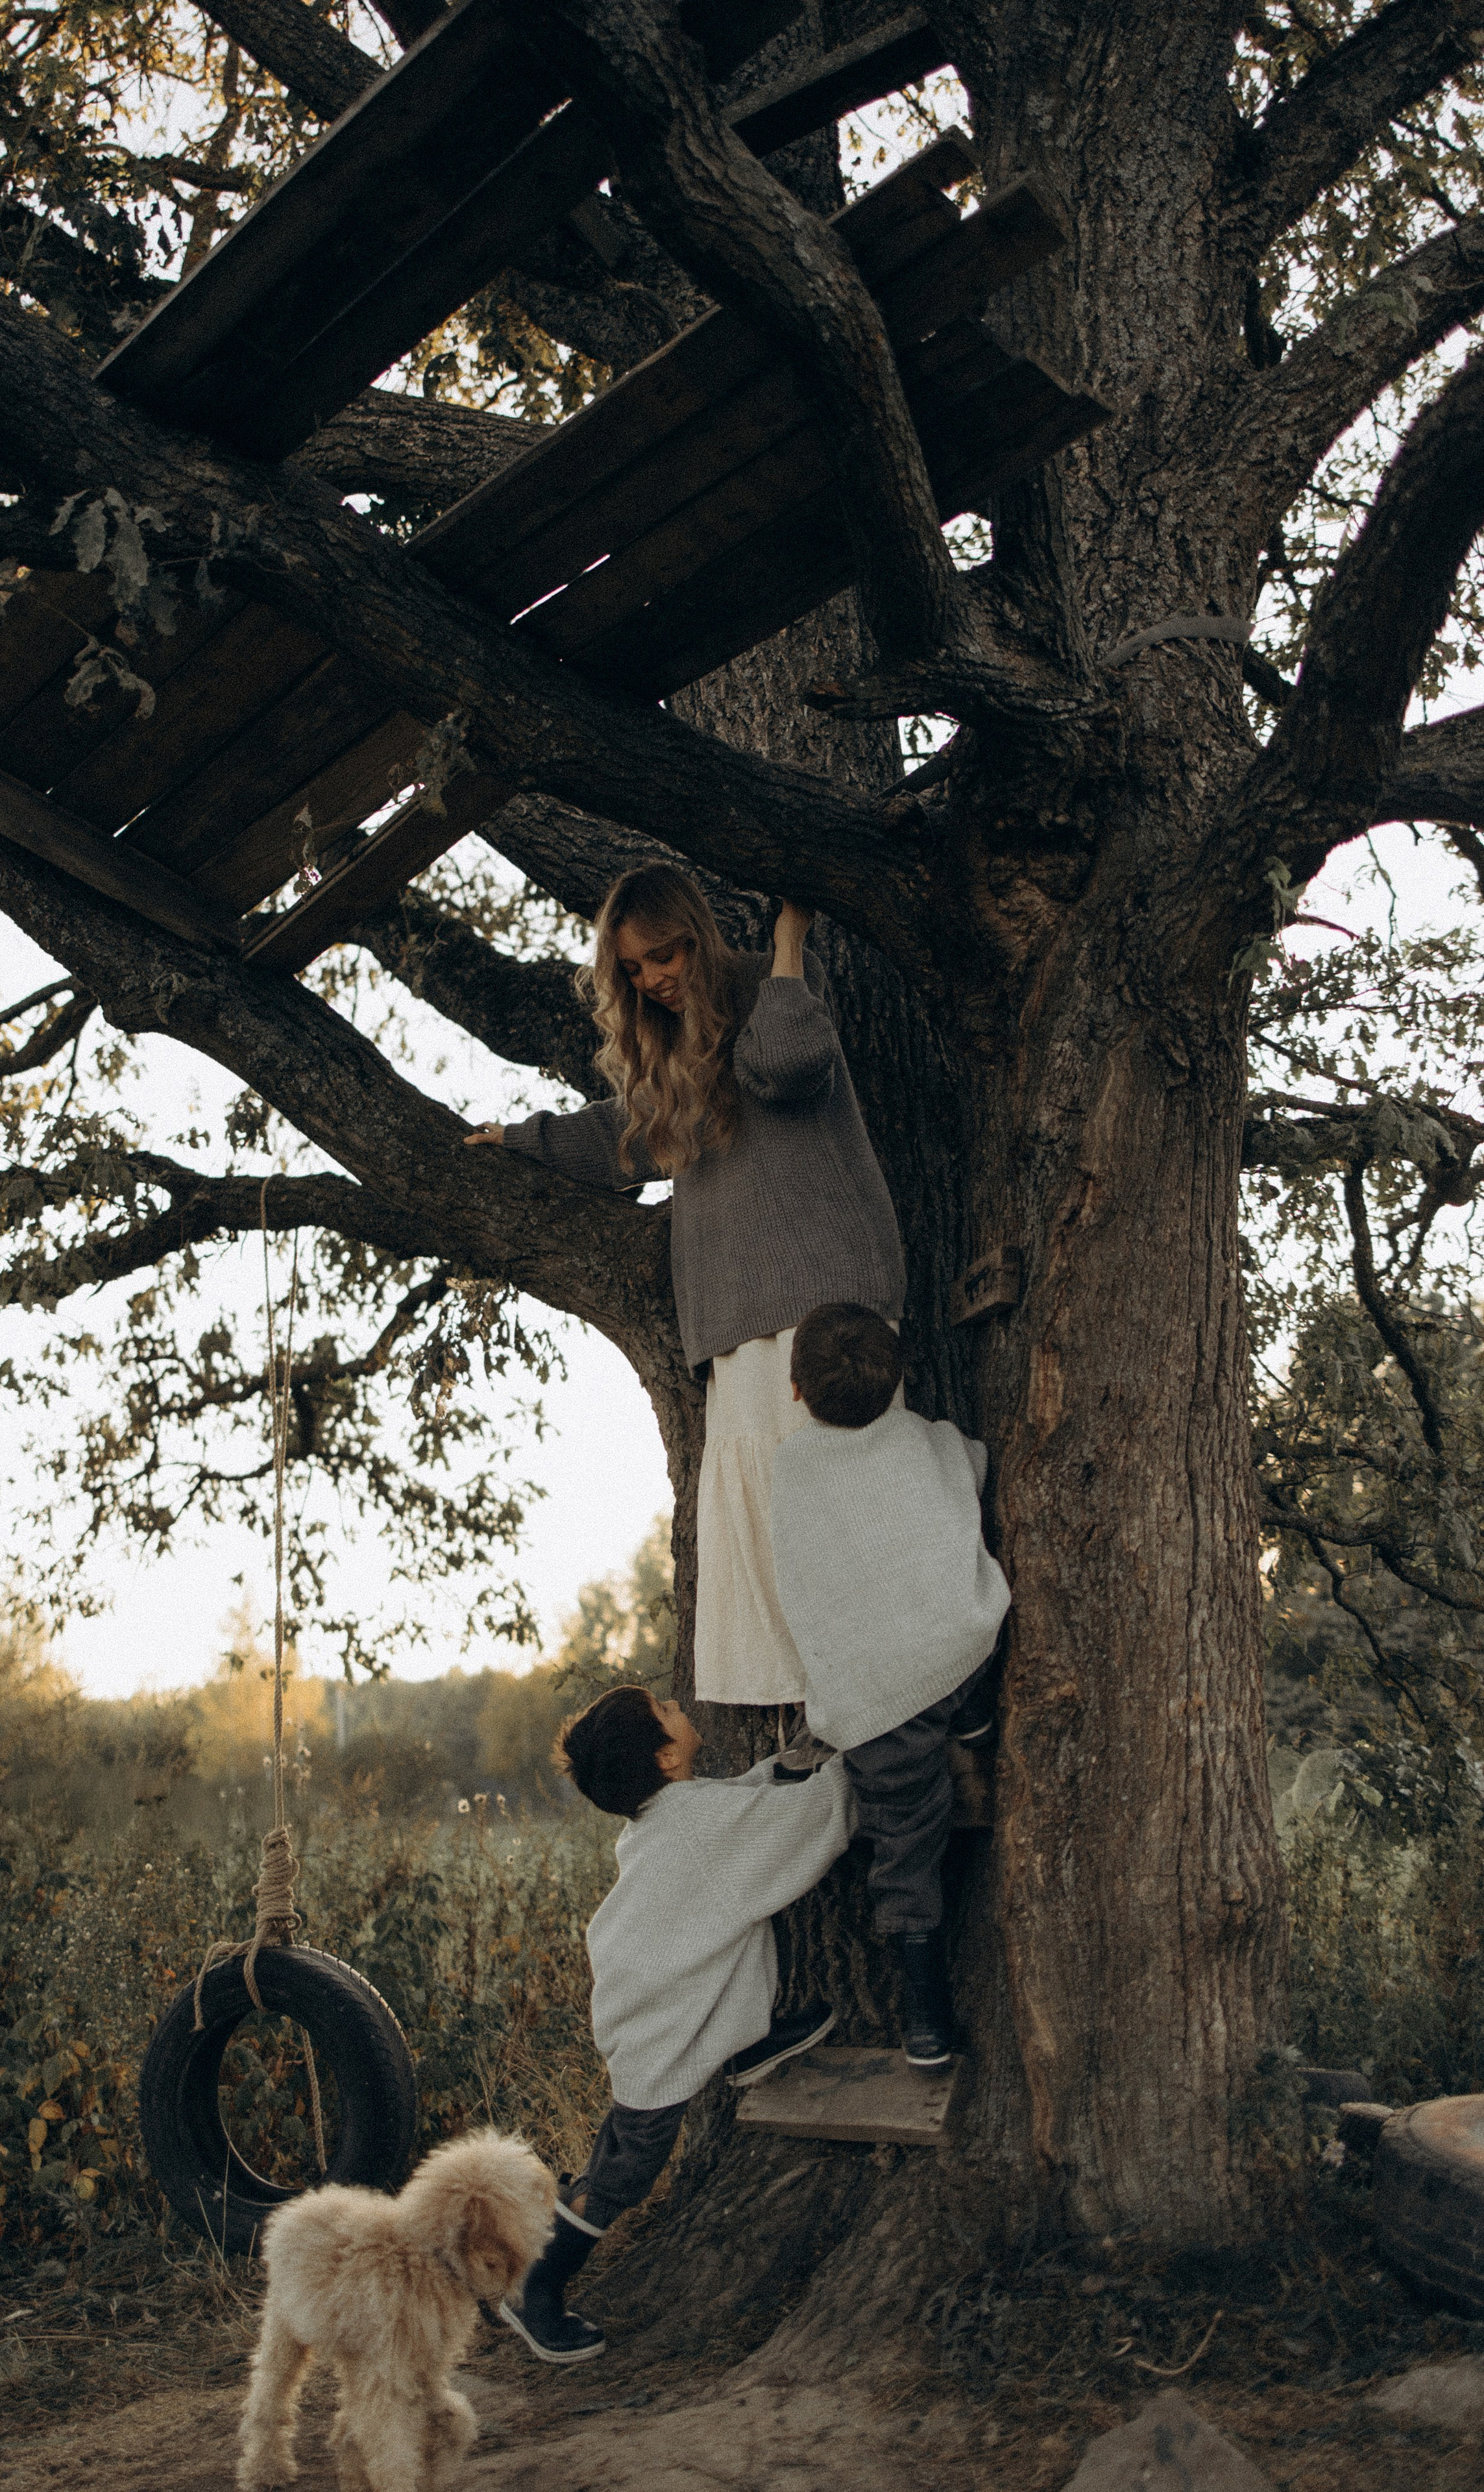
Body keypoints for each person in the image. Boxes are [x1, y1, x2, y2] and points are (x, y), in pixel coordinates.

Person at [465, 862, 905, 1718]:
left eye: (664, 954)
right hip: (736, 1325)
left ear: (696, 935)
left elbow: (790, 1064)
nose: (654, 979)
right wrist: (521, 1139)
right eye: (633, 970)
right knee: (768, 1546)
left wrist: (787, 943)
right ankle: (822, 1731)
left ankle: (895, 1716)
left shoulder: (768, 988)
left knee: (848, 1527)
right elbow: (623, 1136)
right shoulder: (669, 1048)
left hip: (825, 1303)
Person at [498, 1683, 855, 2364]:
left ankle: (745, 2041)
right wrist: (851, 1774)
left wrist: (777, 1773)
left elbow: (738, 1811)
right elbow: (788, 1827)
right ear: (665, 1757)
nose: (679, 1707)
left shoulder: (672, 1815)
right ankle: (532, 2288)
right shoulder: (693, 1823)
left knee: (617, 2152)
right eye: (666, 1711)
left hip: (647, 2003)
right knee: (624, 2174)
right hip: (656, 2026)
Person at [768, 1302, 1012, 2071]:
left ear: (797, 1392)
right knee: (964, 1636)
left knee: (905, 1849)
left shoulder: (790, 1467)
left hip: (880, 1703)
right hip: (955, 1652)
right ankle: (973, 1721)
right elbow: (970, 1466)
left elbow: (801, 1573)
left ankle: (927, 2023)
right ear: (899, 1377)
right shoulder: (924, 1439)